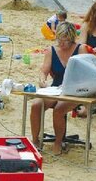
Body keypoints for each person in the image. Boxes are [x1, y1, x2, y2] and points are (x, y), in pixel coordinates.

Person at [30, 22, 89, 155]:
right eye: (59, 40)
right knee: (36, 105)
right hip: (56, 89)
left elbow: (86, 75)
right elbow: (44, 70)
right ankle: (35, 140)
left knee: (59, 109)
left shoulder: (80, 49)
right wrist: (42, 80)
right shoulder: (52, 50)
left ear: (72, 38)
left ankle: (58, 142)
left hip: (75, 91)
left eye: (65, 41)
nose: (61, 44)